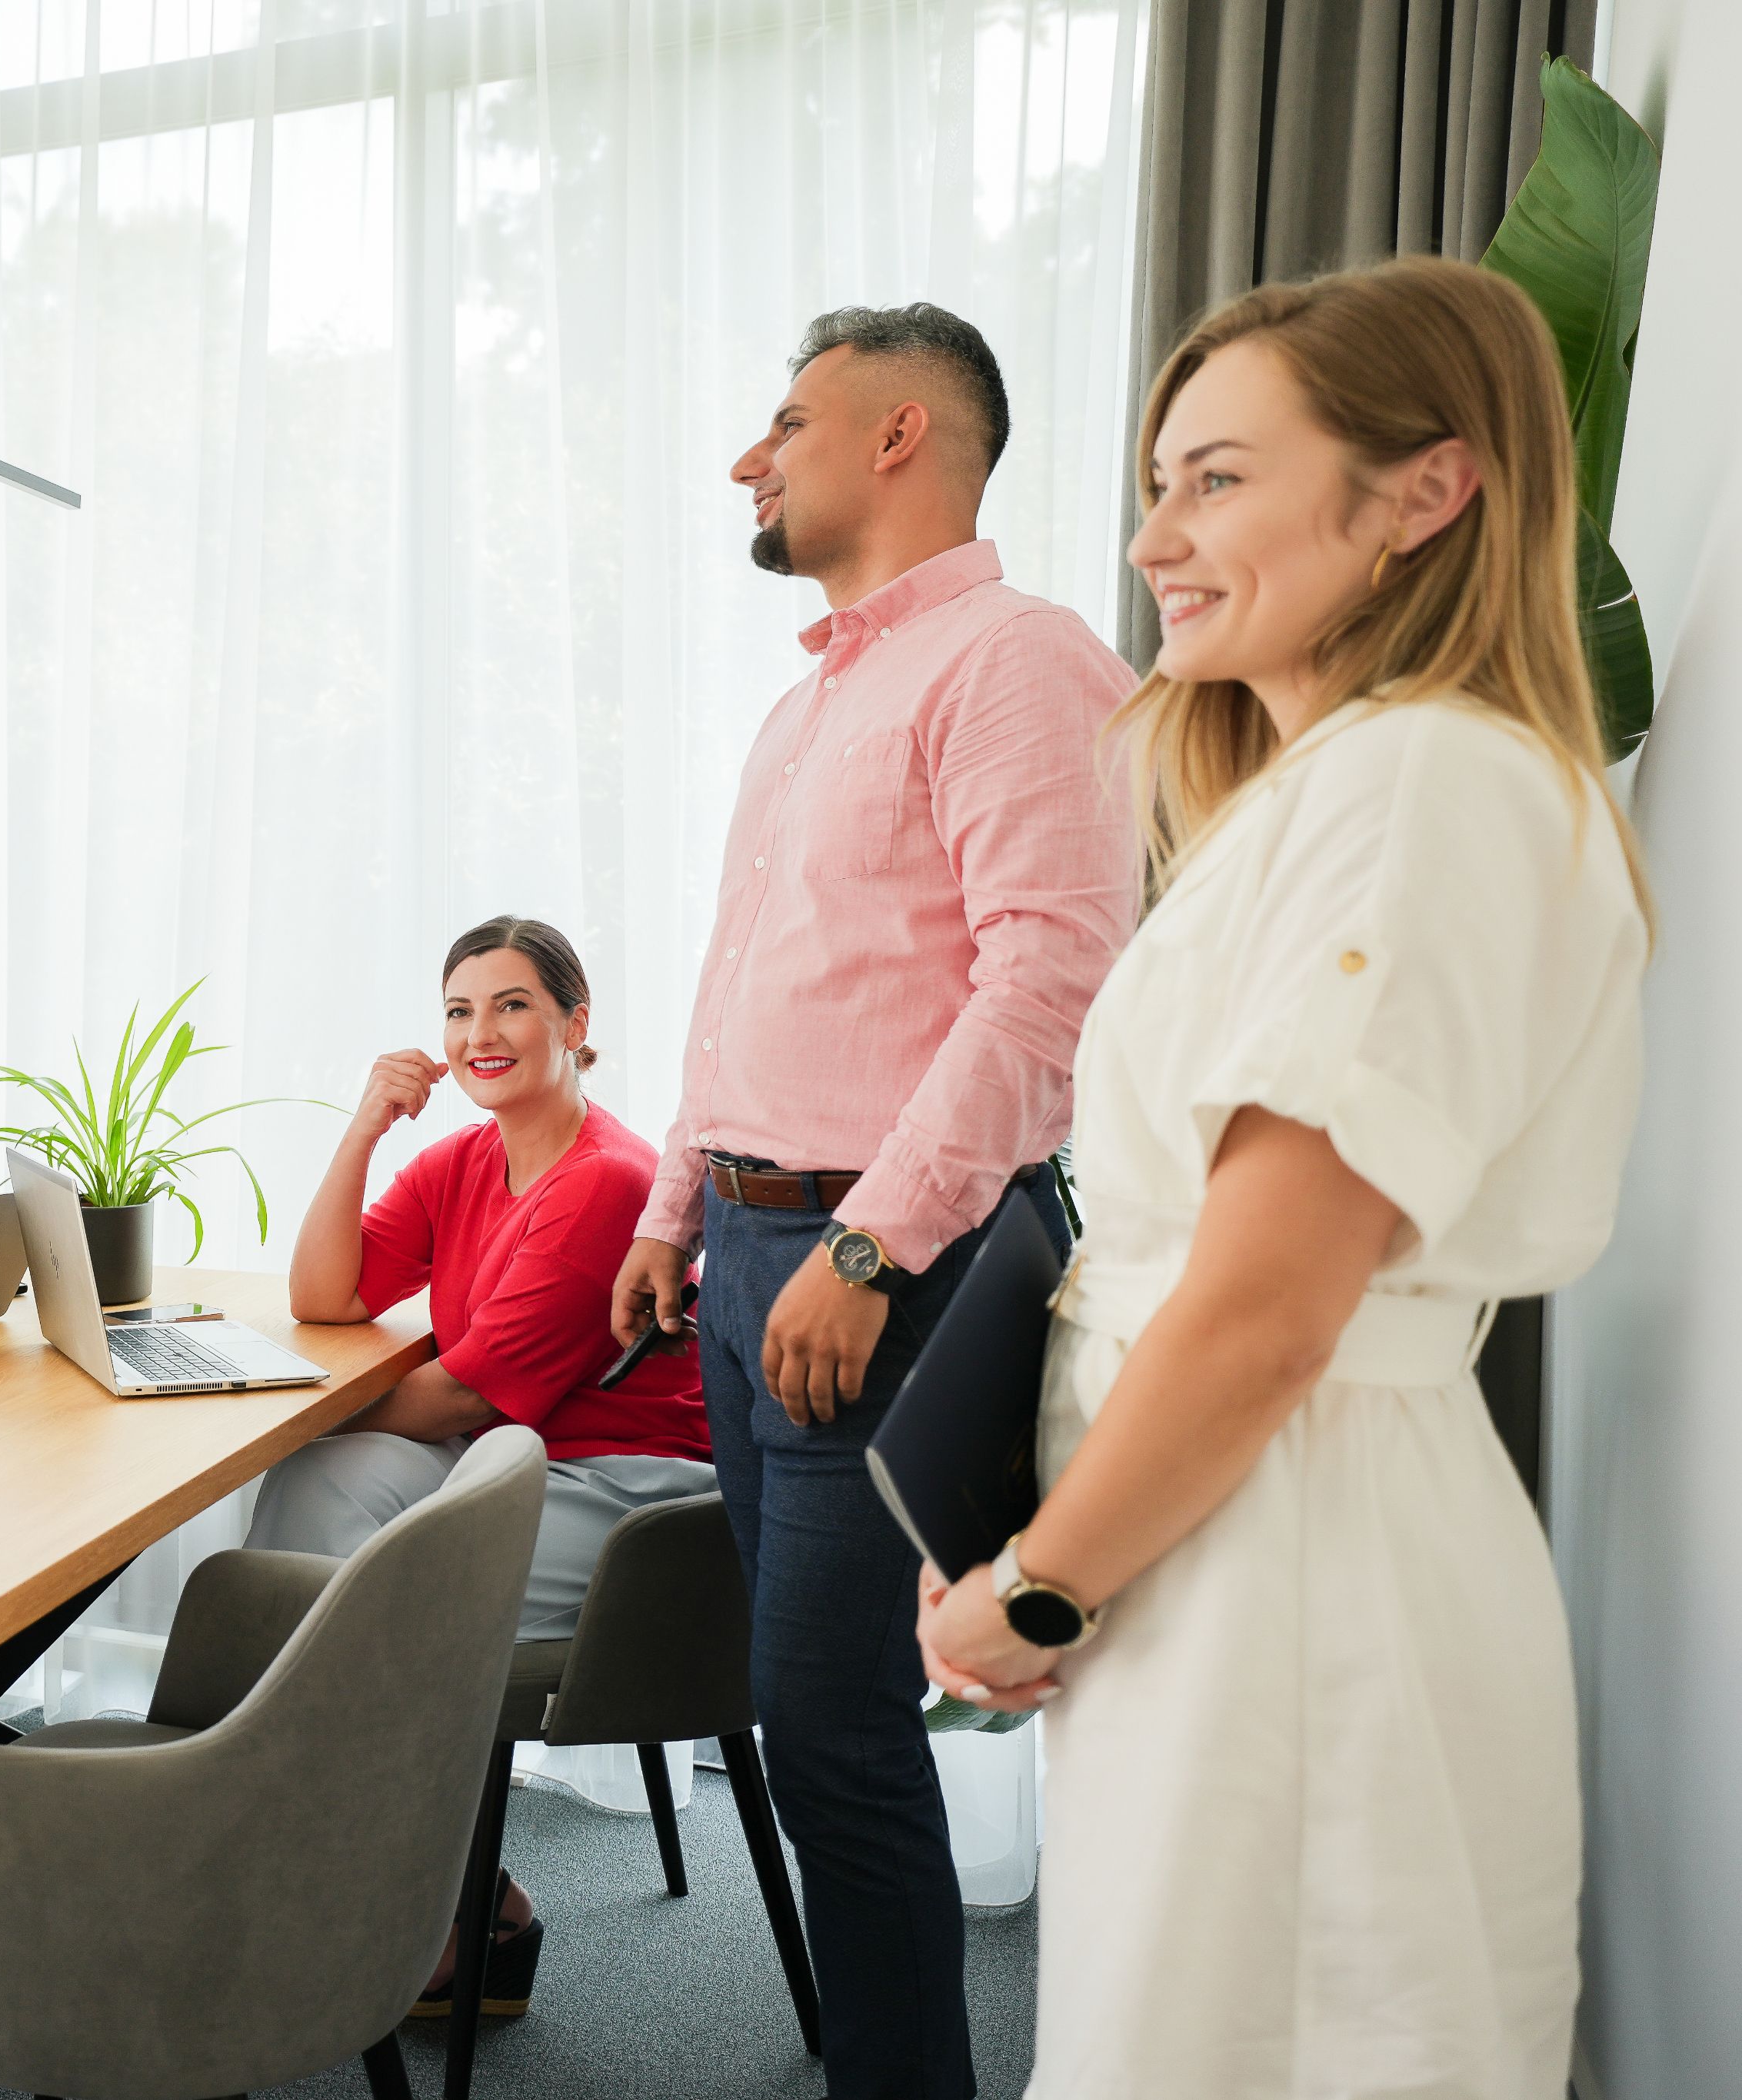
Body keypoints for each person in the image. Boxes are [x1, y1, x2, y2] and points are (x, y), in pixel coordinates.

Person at [915, 258, 1647, 2097]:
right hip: (1239, 1542)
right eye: (1160, 481)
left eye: (1218, 477)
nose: (1157, 533)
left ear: (1427, 489)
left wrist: (1031, 1590)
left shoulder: (1422, 790)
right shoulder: (1332, 793)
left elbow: (1264, 1307)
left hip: (1294, 1560)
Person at [608, 305, 1140, 2098]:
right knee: (807, 1712)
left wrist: (862, 1242)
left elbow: (1047, 987)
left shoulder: (1016, 660)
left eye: (783, 420)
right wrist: (673, 1213)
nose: (749, 460)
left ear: (901, 435)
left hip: (880, 1266)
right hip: (758, 1250)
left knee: (836, 1733)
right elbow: (740, 982)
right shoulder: (810, 703)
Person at [258, 916, 711, 2016]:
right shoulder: (467, 1156)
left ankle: (432, 1908)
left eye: (510, 1003)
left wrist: (269, 1410)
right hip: (518, 1458)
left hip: (638, 1495)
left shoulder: (605, 1179)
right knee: (313, 1493)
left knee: (393, 1601)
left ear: (575, 1022)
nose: (479, 1032)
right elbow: (325, 1294)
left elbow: (459, 1394)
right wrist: (365, 1122)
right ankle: (426, 1882)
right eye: (460, 1009)